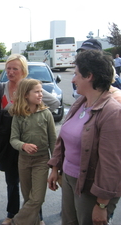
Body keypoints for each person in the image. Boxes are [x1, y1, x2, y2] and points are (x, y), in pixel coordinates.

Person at [47, 50, 121, 225]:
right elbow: (63, 139)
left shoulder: (112, 112)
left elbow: (111, 164)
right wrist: (55, 167)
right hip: (68, 179)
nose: (73, 80)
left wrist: (102, 205)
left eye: (76, 74)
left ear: (89, 76)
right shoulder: (80, 103)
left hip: (90, 187)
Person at [0, 54, 60, 225]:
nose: (11, 72)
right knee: (12, 181)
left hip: (31, 142)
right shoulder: (1, 87)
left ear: (23, 70)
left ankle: (37, 217)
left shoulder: (30, 87)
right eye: (8, 68)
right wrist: (13, 113)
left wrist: (36, 111)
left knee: (34, 187)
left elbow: (55, 103)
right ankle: (11, 214)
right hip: (9, 141)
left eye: (15, 68)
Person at [9, 79, 57, 225]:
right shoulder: (18, 115)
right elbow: (13, 139)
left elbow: (54, 141)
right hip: (23, 161)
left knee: (37, 199)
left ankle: (16, 222)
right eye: (36, 91)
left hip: (42, 160)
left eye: (41, 91)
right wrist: (23, 146)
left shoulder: (46, 113)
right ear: (25, 95)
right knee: (29, 199)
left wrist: (55, 167)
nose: (40, 94)